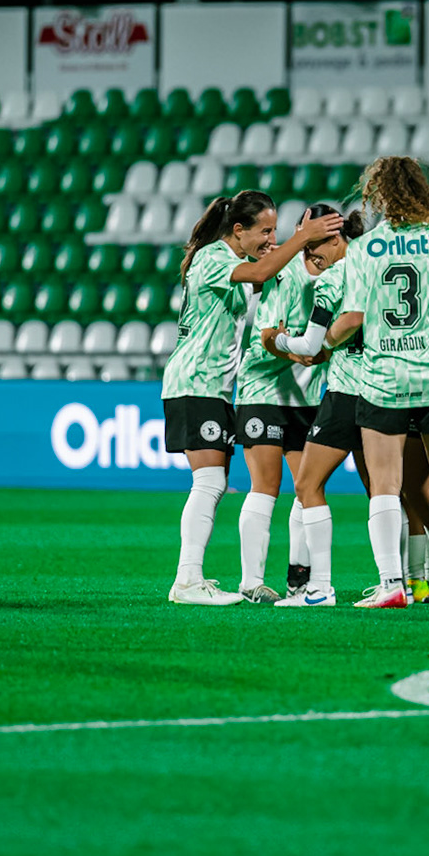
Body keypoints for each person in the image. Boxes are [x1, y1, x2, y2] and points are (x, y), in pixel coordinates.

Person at [312, 157, 429, 607]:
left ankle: (392, 586)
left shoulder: (365, 249)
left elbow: (353, 319)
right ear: (424, 193)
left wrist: (327, 341)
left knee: (385, 484)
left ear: (380, 195)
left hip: (384, 380)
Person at [164, 191, 342, 606]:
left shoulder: (233, 260)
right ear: (238, 230)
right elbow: (262, 273)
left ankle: (194, 578)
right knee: (209, 482)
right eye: (264, 230)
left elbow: (264, 271)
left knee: (216, 482)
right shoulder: (213, 257)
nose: (271, 238)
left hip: (215, 385)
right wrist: (303, 238)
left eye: (275, 231)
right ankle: (187, 580)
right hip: (196, 380)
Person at [234, 203, 342, 603]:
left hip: (309, 396)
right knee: (266, 484)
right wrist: (294, 351)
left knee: (306, 487)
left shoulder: (342, 274)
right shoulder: (285, 271)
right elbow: (265, 335)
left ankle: (300, 578)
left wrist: (322, 352)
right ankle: (251, 582)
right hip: (263, 389)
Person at [272, 208, 368, 607]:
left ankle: (319, 588)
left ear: (335, 237)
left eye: (314, 243)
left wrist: (279, 342)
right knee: (390, 492)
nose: (310, 253)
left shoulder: (334, 277)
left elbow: (312, 346)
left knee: (307, 485)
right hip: (391, 387)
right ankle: (408, 583)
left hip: (347, 391)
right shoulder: (376, 264)